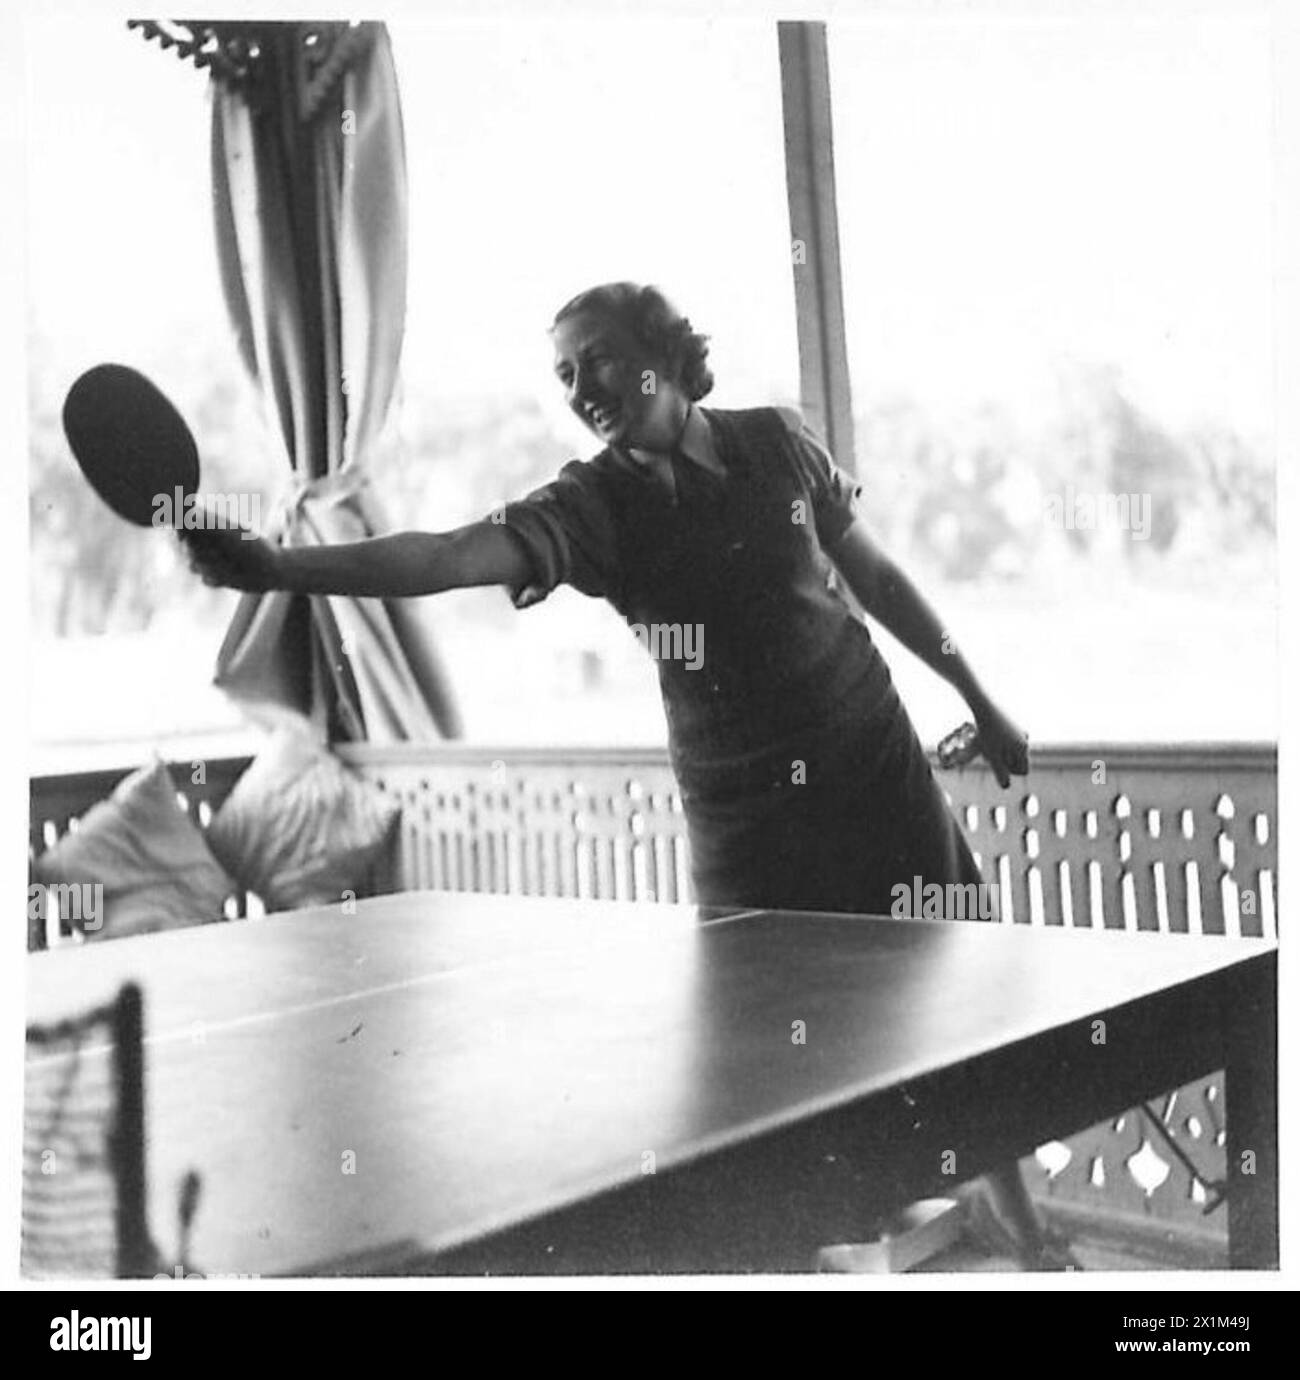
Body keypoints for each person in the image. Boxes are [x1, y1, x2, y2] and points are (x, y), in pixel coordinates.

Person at [188, 281, 1070, 1269]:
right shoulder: (591, 502)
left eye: (598, 357)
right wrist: (277, 567)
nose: (581, 387)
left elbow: (878, 578)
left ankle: (1024, 1234)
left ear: (660, 348)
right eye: (563, 373)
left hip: (871, 763)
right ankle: (811, 1256)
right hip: (744, 817)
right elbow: (441, 554)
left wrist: (979, 700)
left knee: (964, 1008)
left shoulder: (778, 442)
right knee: (773, 1062)